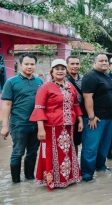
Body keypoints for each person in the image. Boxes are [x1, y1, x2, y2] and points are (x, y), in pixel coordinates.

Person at [29, 59, 83, 190]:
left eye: (62, 68)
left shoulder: (70, 87)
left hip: (68, 127)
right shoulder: (45, 87)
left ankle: (67, 179)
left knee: (66, 153)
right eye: (57, 68)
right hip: (51, 127)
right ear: (51, 71)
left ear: (66, 71)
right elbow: (39, 108)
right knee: (50, 153)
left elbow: (75, 105)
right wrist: (40, 129)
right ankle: (52, 181)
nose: (60, 71)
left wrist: (80, 120)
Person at [0, 53, 43, 183]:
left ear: (35, 66)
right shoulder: (11, 82)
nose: (29, 67)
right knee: (18, 152)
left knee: (32, 152)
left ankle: (30, 179)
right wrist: (4, 126)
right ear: (20, 65)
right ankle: (16, 182)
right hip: (19, 124)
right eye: (26, 64)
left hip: (36, 124)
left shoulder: (39, 81)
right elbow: (7, 104)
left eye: (32, 64)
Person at [80, 54, 112, 182]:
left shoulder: (106, 76)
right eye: (101, 61)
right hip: (96, 119)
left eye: (106, 61)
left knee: (104, 145)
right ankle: (87, 174)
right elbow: (87, 98)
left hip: (109, 118)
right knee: (91, 147)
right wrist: (91, 117)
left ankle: (100, 166)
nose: (104, 63)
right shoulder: (90, 76)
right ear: (94, 62)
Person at [65, 55, 87, 156]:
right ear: (67, 65)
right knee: (67, 141)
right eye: (72, 64)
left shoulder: (84, 79)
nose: (75, 66)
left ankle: (75, 166)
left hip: (82, 112)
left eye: (77, 64)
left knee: (77, 141)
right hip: (67, 113)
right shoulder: (63, 79)